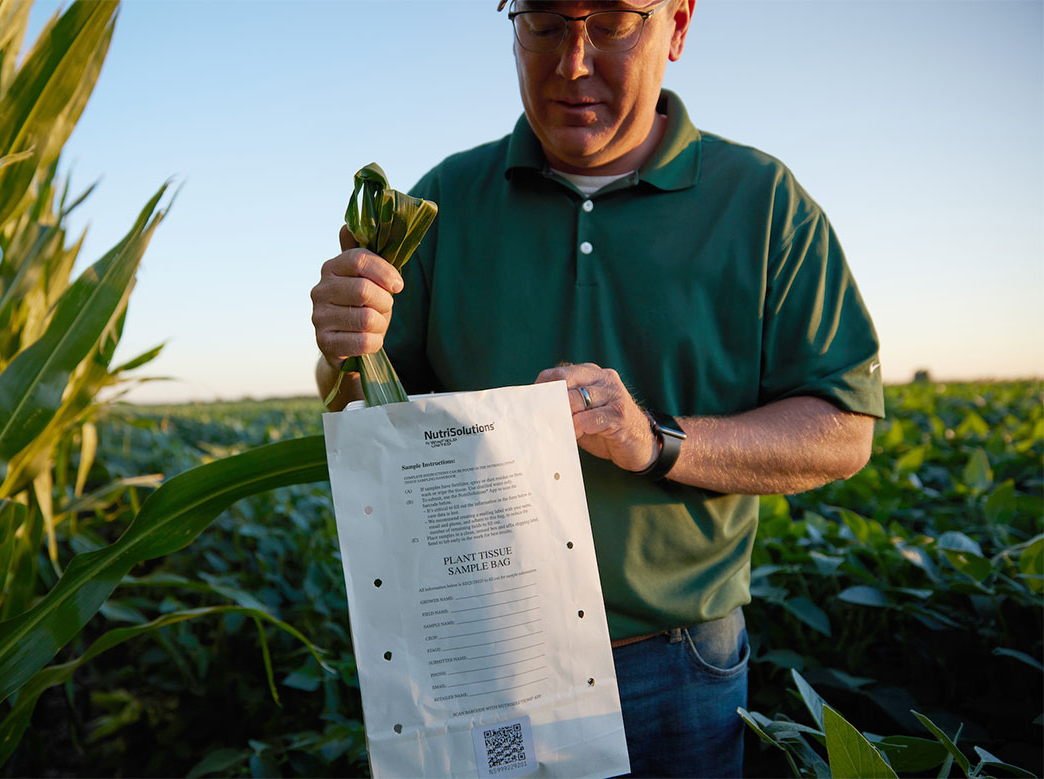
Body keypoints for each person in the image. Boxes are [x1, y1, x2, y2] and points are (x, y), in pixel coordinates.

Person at [311, 1, 884, 776]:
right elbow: (370, 418)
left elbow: (843, 428)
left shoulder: (762, 203)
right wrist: (342, 351)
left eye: (613, 21)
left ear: (677, 27)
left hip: (678, 665)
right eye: (545, 22)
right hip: (482, 657)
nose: (572, 62)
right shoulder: (442, 203)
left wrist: (656, 439)